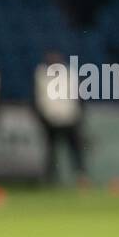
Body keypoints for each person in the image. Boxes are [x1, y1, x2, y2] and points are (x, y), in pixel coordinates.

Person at [33, 51, 88, 185]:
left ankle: (81, 177)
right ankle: (50, 179)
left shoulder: (70, 74)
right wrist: (44, 117)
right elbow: (39, 99)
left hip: (70, 118)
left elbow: (78, 96)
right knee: (51, 152)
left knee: (75, 150)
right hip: (50, 120)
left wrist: (76, 115)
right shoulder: (41, 75)